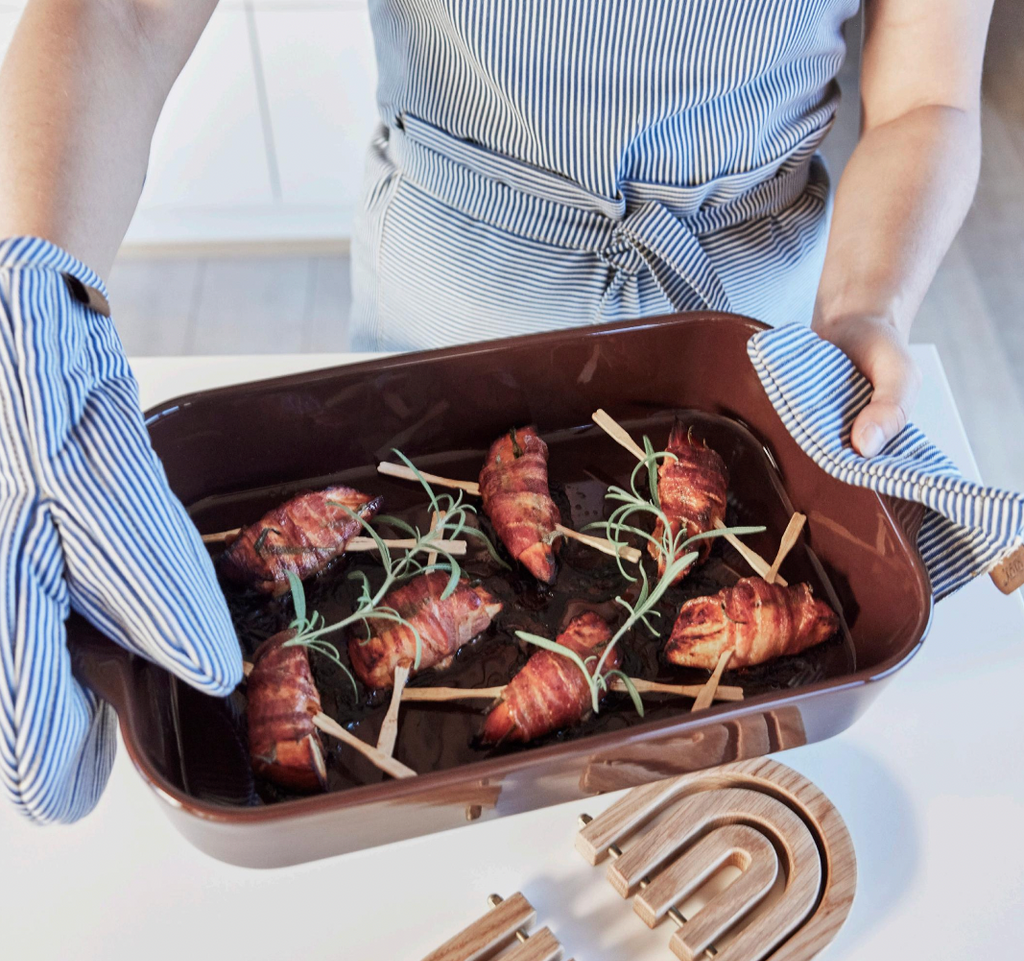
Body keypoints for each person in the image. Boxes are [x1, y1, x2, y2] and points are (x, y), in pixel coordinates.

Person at [0, 0, 994, 822]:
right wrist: (29, 305)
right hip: (428, 341)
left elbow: (926, 97)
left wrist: (867, 302)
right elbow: (122, 13)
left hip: (740, 346)